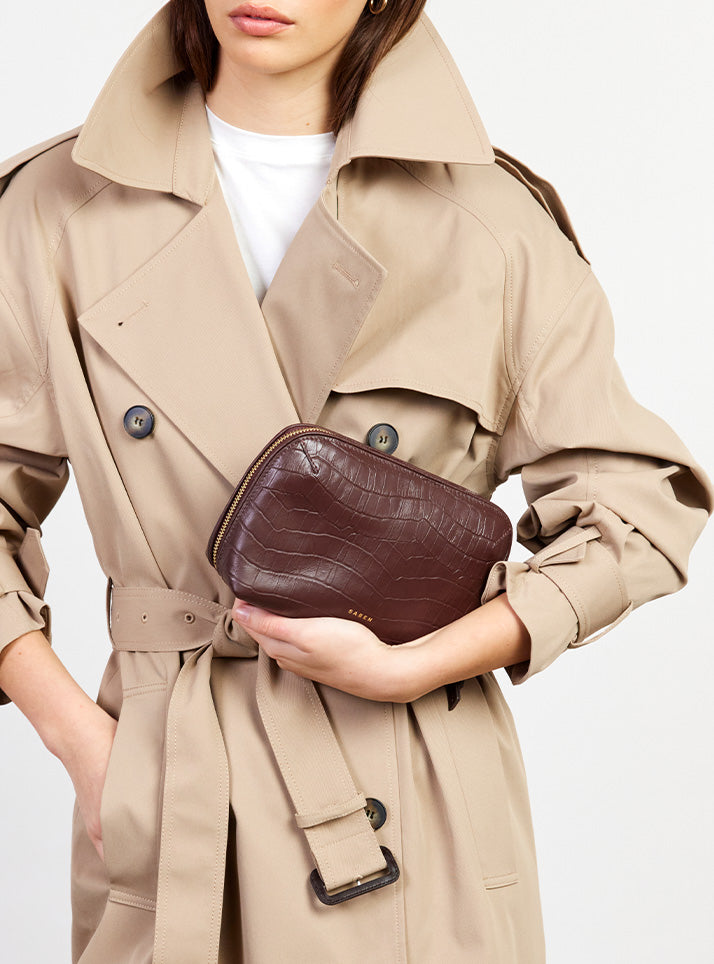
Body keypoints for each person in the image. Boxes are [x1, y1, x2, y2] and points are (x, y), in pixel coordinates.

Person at [0, 1, 710, 961]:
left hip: (410, 792)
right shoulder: (55, 208)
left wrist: (418, 663)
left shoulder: (491, 223)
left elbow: (639, 506)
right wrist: (86, 749)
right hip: (173, 785)